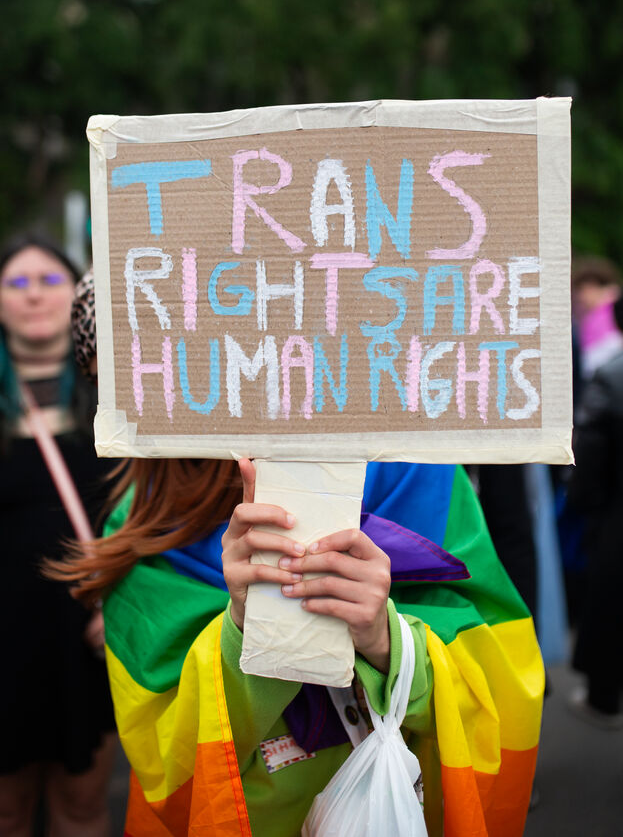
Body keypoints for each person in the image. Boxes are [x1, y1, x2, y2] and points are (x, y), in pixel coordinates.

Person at [51, 273, 544, 837]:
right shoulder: (141, 523)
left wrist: (385, 640)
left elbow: (499, 676)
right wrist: (244, 624)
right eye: (132, 381)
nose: (163, 397)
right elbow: (166, 749)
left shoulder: (411, 468)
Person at [0, 235, 117, 837]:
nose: (33, 295)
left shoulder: (116, 394)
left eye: (49, 280)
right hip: (4, 637)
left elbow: (150, 514)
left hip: (90, 631)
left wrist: (129, 603)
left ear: (78, 294)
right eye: (16, 282)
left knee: (81, 806)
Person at [566, 292, 623, 727]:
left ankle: (604, 696)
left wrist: (582, 504)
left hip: (616, 513)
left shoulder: (611, 375)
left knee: (610, 603)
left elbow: (592, 451)